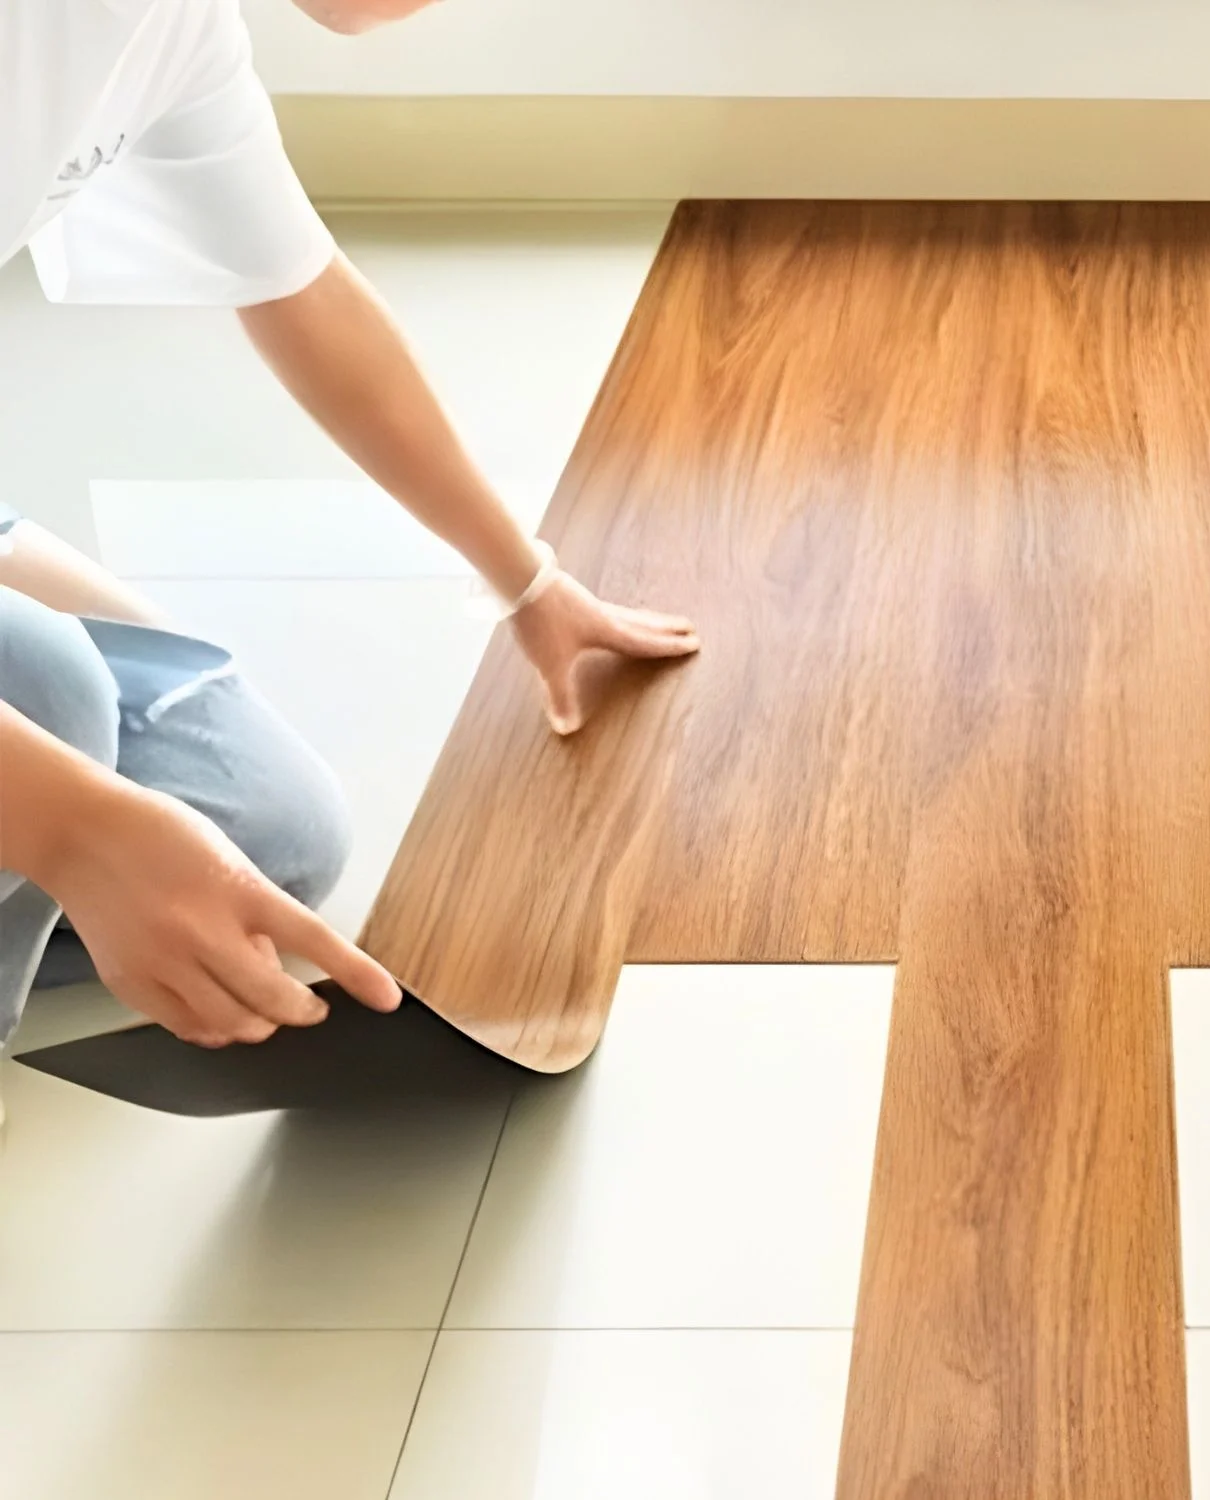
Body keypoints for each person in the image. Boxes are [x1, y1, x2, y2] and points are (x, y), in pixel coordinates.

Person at [0, 0, 700, 1074]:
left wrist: (526, 581)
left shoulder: (172, 26)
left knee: (273, 833)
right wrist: (75, 831)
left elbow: (303, 293)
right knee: (57, 699)